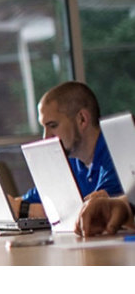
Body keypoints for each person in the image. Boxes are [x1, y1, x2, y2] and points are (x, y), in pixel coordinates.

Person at [9, 81, 123, 220]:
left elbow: (98, 210)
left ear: (82, 119)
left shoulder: (118, 151)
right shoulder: (71, 161)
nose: (46, 137)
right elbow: (31, 200)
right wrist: (11, 206)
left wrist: (26, 210)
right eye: (44, 127)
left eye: (53, 125)